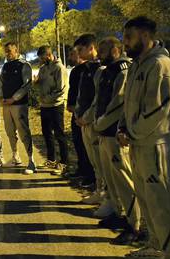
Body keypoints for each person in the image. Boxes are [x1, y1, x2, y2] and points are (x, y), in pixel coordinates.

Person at [118, 16, 170, 259]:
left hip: (156, 146)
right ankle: (155, 247)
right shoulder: (138, 64)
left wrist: (130, 132)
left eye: (128, 37)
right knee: (145, 199)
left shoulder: (160, 65)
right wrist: (123, 129)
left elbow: (157, 110)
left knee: (161, 203)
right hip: (138, 144)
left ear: (145, 36)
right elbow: (128, 103)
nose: (125, 43)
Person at [92, 37, 141, 245]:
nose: (98, 54)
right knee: (112, 180)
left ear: (114, 50)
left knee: (124, 180)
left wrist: (101, 122)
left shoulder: (122, 69)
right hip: (105, 133)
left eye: (102, 50)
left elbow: (119, 102)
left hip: (114, 134)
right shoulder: (107, 70)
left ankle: (134, 226)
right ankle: (120, 215)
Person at [73, 33, 114, 218]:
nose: (78, 53)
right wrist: (77, 114)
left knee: (103, 164)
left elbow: (98, 99)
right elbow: (82, 96)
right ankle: (99, 192)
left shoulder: (100, 69)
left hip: (94, 123)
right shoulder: (87, 68)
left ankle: (108, 199)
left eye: (81, 49)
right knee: (95, 162)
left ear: (91, 47)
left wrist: (87, 117)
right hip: (84, 122)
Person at [0, 42, 35, 174]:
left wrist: (13, 98)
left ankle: (31, 161)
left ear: (16, 50)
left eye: (9, 51)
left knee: (24, 132)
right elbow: (1, 83)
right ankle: (16, 156)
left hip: (19, 105)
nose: (7, 53)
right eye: (6, 51)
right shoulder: (5, 66)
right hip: (6, 105)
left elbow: (27, 85)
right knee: (10, 132)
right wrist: (1, 97)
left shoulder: (24, 65)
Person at [33, 46, 69, 175]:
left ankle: (64, 162)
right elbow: (41, 83)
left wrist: (47, 98)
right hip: (45, 106)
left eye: (42, 58)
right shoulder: (43, 68)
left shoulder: (59, 68)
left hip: (56, 105)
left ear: (48, 55)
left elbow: (61, 89)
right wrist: (36, 82)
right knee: (47, 133)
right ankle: (51, 159)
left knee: (59, 134)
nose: (40, 61)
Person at [66, 48, 95, 183]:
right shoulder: (75, 71)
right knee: (78, 142)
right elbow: (73, 90)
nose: (70, 57)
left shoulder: (89, 69)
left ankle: (90, 175)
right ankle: (81, 169)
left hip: (86, 114)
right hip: (76, 113)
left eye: (72, 54)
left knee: (86, 146)